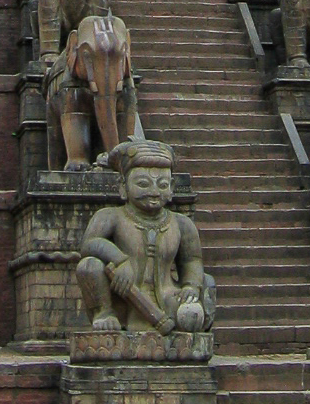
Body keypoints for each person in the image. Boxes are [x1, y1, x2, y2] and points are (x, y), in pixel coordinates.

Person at [75, 140, 214, 334]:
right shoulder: (110, 216)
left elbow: (192, 260)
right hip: (123, 298)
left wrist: (191, 286)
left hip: (167, 298)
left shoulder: (182, 224)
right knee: (88, 265)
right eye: (143, 184)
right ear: (122, 186)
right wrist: (119, 260)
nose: (154, 192)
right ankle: (104, 314)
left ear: (172, 187)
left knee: (201, 294)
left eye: (163, 184)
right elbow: (89, 245)